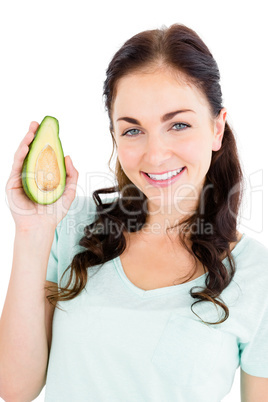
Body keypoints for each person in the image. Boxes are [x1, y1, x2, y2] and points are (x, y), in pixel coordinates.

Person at [1, 23, 268, 402]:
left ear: (217, 128)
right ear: (113, 135)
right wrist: (32, 232)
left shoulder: (259, 277)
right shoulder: (71, 229)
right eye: (132, 130)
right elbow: (16, 388)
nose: (155, 154)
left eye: (178, 124)